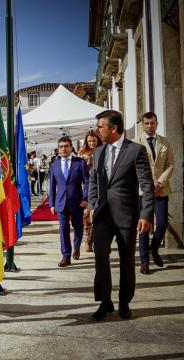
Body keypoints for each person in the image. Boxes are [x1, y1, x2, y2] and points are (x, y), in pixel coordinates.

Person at [88, 110, 154, 321]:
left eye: (100, 126)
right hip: (101, 216)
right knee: (100, 258)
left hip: (126, 215)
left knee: (126, 260)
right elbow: (94, 182)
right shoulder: (98, 153)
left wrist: (146, 214)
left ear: (113, 128)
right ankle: (105, 302)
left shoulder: (136, 151)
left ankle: (124, 302)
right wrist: (91, 205)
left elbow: (147, 184)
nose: (97, 130)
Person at [135, 112, 175, 275]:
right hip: (143, 192)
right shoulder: (135, 143)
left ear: (157, 124)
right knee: (144, 226)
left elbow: (171, 164)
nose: (149, 126)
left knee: (163, 224)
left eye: (152, 123)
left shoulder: (165, 142)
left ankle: (154, 248)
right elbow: (133, 168)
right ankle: (144, 262)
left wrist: (159, 183)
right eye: (146, 123)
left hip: (161, 189)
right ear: (142, 124)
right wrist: (146, 185)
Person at [49, 136, 89, 267]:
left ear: (71, 147)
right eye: (61, 146)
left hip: (77, 202)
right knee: (63, 229)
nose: (63, 149)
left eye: (66, 146)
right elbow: (52, 186)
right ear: (58, 149)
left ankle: (76, 248)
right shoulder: (54, 165)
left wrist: (86, 198)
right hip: (61, 203)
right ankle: (66, 256)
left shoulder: (80, 163)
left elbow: (87, 182)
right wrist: (52, 204)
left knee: (78, 227)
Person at [78, 130, 102, 252]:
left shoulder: (103, 150)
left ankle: (93, 239)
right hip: (86, 187)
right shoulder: (81, 153)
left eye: (94, 140)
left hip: (100, 186)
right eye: (90, 141)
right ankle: (87, 240)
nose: (92, 143)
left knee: (97, 215)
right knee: (87, 216)